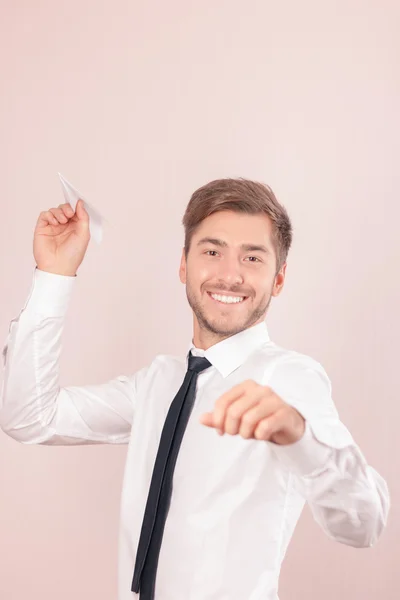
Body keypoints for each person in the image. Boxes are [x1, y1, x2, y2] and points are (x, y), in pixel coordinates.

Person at [0, 178, 390, 600]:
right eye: (212, 251)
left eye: (253, 257)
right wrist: (55, 275)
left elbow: (364, 524)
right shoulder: (156, 383)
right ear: (184, 265)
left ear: (278, 280)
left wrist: (299, 437)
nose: (230, 274)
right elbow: (28, 417)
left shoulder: (289, 378)